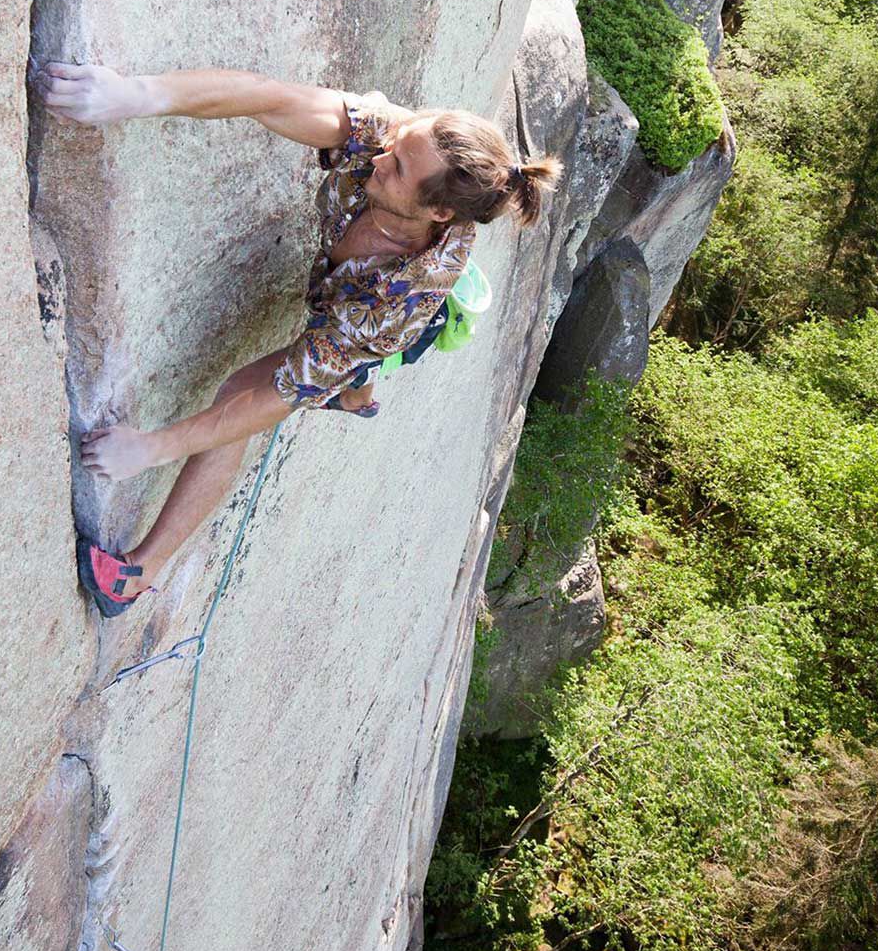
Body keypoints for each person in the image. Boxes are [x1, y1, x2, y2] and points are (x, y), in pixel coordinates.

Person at [37, 62, 561, 616]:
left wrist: (151, 448)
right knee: (287, 381)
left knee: (252, 387)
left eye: (398, 167)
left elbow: (276, 396)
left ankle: (137, 576)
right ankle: (353, 391)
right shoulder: (397, 139)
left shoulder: (401, 299)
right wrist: (135, 96)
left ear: (439, 211)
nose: (378, 157)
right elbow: (269, 99)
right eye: (396, 144)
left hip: (384, 326)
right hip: (353, 304)